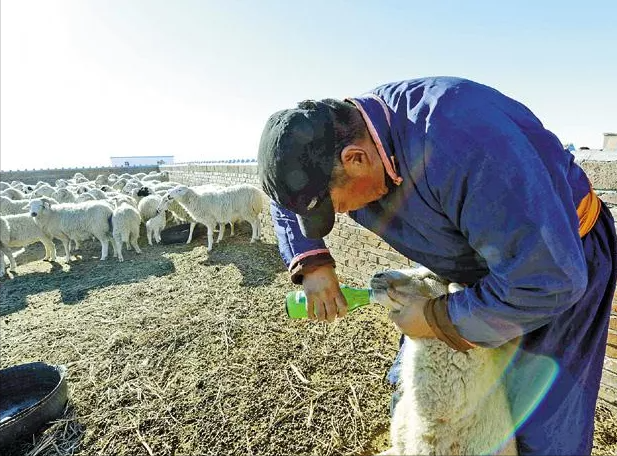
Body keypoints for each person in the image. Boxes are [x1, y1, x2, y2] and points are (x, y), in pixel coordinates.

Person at [256, 76, 616, 456]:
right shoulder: (325, 144)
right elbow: (287, 190)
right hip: (475, 259)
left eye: (335, 206)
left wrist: (436, 318)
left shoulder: (463, 140)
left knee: (539, 420)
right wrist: (311, 259)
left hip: (551, 264)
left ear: (356, 158)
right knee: (416, 393)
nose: (341, 215)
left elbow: (549, 279)